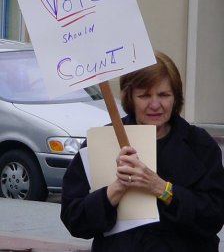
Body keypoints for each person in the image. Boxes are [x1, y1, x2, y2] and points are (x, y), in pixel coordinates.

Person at [60, 51, 224, 252]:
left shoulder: (200, 145)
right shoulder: (101, 141)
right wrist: (114, 190)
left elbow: (214, 217)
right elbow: (74, 220)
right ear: (129, 98)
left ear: (176, 98)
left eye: (164, 95)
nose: (155, 105)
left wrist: (162, 189)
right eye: (144, 95)